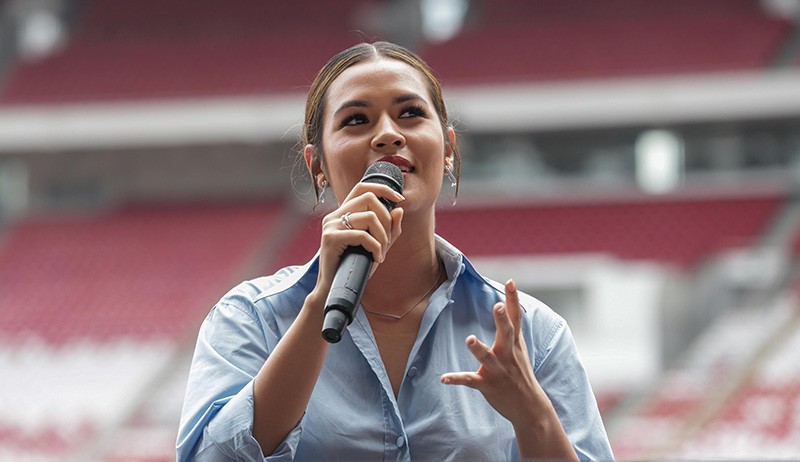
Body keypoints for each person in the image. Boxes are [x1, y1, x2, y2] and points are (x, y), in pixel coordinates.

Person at [177, 41, 614, 461]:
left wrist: (533, 416)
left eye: (409, 114)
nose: (388, 135)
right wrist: (319, 307)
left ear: (447, 149)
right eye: (356, 121)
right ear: (317, 165)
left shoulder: (532, 335)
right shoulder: (250, 320)